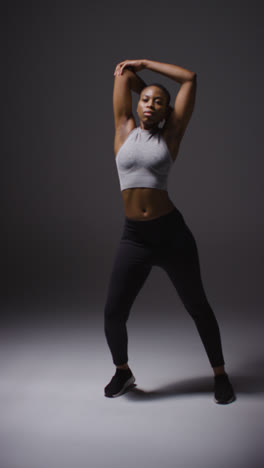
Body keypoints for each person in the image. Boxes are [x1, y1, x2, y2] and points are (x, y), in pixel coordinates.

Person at [104, 59, 235, 404]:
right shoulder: (123, 128)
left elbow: (190, 78)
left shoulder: (171, 135)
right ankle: (123, 372)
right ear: (137, 104)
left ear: (167, 113)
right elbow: (122, 74)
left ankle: (220, 375)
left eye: (159, 102)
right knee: (114, 313)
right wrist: (140, 81)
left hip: (171, 236)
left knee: (198, 306)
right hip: (134, 237)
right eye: (145, 99)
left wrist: (145, 64)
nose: (149, 104)